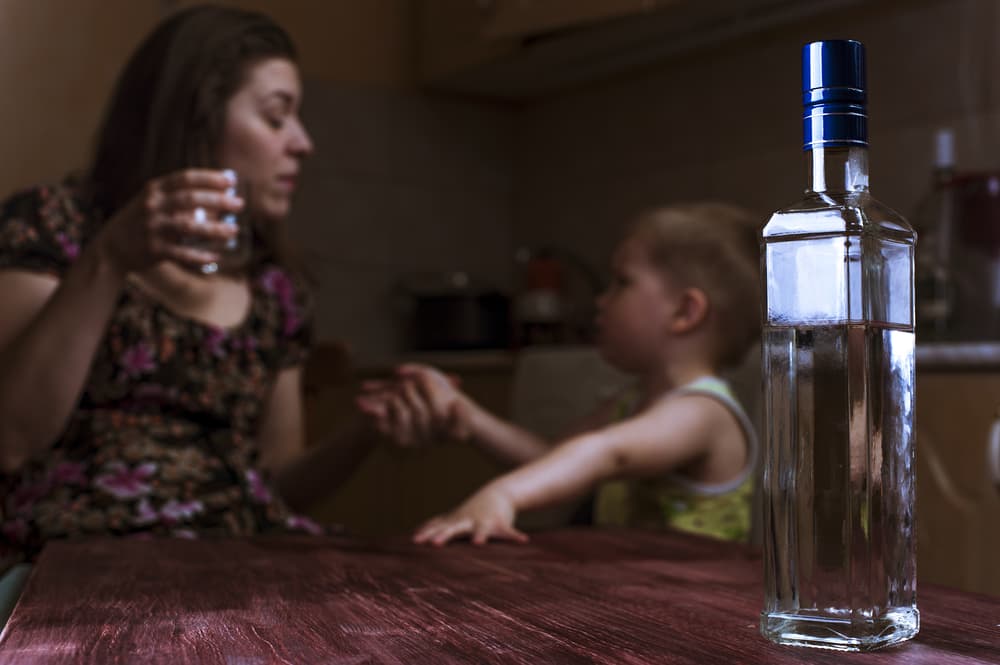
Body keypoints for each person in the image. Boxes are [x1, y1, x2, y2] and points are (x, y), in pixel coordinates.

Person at [0, 5, 371, 580]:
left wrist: (364, 435)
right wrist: (110, 258)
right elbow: (10, 439)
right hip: (78, 561)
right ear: (196, 117)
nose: (302, 143)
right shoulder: (56, 226)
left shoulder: (275, 288)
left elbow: (274, 482)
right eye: (277, 118)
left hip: (241, 560)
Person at [359, 203, 761, 546]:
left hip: (701, 607)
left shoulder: (704, 411)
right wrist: (471, 418)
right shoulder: (632, 402)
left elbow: (605, 454)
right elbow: (550, 459)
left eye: (622, 283)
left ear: (685, 312)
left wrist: (503, 495)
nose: (601, 301)